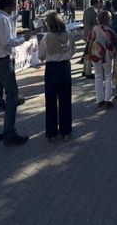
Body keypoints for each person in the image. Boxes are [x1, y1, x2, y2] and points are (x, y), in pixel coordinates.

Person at [0, 0, 30, 146]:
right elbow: (6, 42)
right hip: (2, 62)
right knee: (12, 96)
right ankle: (9, 133)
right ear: (8, 5)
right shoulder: (3, 19)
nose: (15, 7)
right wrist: (23, 39)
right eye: (14, 4)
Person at [38, 12, 72, 141]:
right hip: (65, 67)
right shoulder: (68, 34)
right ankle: (66, 131)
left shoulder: (46, 37)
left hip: (52, 69)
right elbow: (73, 50)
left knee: (51, 101)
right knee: (65, 100)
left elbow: (41, 55)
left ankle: (52, 132)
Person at [88, 10, 116, 108]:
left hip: (95, 54)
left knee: (98, 76)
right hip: (107, 55)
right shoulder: (110, 31)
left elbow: (90, 41)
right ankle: (108, 99)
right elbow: (112, 44)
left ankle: (99, 99)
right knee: (108, 76)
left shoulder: (93, 29)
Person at [81, 0, 101, 79]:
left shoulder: (86, 10)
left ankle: (84, 70)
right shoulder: (94, 12)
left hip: (86, 33)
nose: (99, 4)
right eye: (98, 3)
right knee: (89, 53)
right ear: (96, 3)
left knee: (86, 52)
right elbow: (96, 23)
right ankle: (88, 72)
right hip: (92, 35)